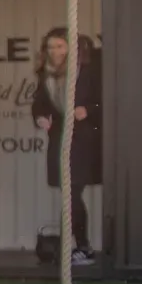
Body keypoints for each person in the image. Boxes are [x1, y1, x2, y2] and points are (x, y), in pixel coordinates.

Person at [32, 27, 103, 269]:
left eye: (60, 46)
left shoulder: (88, 70)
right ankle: (76, 246)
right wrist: (41, 117)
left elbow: (105, 100)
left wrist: (88, 110)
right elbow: (38, 104)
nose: (55, 52)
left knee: (71, 192)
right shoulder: (45, 74)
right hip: (60, 137)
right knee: (68, 193)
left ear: (72, 47)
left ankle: (83, 247)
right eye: (51, 47)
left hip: (84, 139)